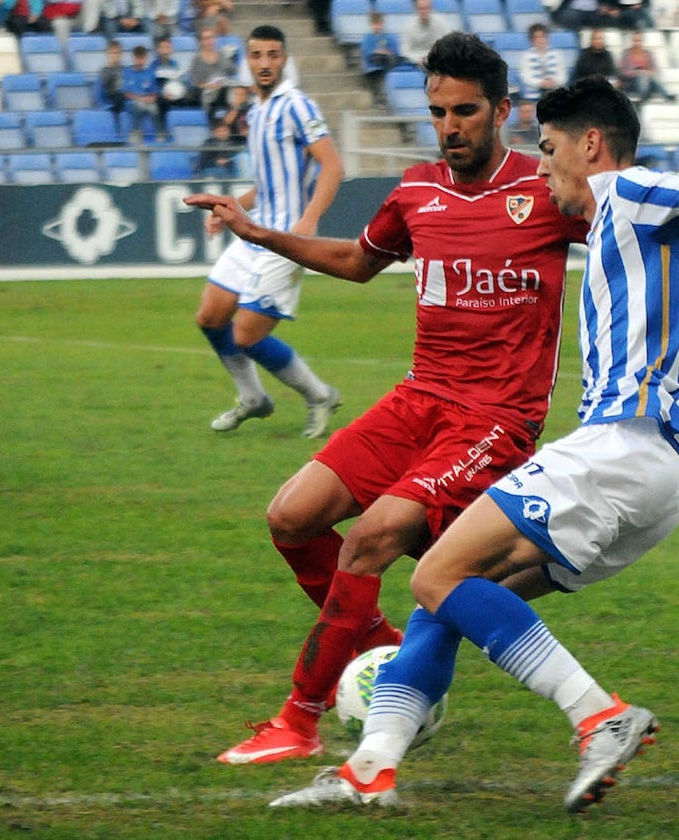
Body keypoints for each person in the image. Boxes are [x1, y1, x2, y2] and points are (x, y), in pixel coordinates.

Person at [262, 76, 679, 813]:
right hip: (665, 477)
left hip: (624, 446)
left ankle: (599, 716)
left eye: (547, 152)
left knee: (432, 576)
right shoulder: (627, 223)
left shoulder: (628, 191)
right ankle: (371, 767)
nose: (541, 170)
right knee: (448, 599)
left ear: (591, 146)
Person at [184, 30, 589, 767]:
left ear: (502, 110)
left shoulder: (547, 191)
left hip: (496, 418)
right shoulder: (416, 191)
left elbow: (648, 234)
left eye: (465, 111)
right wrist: (257, 233)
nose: (450, 127)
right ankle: (381, 647)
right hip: (419, 399)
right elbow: (357, 261)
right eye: (438, 112)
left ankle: (299, 716)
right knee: (291, 517)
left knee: (373, 536)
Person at [194, 24, 344, 437]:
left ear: (284, 59)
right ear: (247, 60)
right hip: (252, 235)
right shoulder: (257, 112)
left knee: (245, 333)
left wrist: (309, 221)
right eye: (257, 55)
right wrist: (229, 208)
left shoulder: (297, 105)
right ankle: (254, 399)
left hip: (285, 241)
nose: (264, 63)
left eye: (272, 55)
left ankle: (319, 395)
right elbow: (267, 186)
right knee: (210, 316)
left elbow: (332, 165)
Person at [189, 25, 238, 122]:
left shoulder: (222, 54)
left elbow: (233, 71)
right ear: (200, 41)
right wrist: (211, 86)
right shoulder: (196, 60)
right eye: (206, 38)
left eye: (212, 37)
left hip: (223, 89)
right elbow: (196, 84)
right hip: (206, 93)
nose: (210, 41)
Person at [617, 30, 676, 103]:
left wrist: (646, 73)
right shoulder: (626, 54)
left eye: (639, 41)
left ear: (642, 41)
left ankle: (664, 95)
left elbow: (655, 70)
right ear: (631, 41)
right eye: (635, 41)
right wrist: (638, 72)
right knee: (641, 76)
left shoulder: (648, 54)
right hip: (631, 84)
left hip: (648, 82)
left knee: (651, 80)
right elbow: (623, 72)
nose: (637, 43)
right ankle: (651, 95)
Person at [360, 11, 404, 108]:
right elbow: (367, 53)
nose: (377, 26)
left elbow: (395, 51)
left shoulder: (389, 36)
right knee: (379, 63)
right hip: (374, 61)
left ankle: (388, 95)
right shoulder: (368, 38)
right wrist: (380, 51)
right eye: (375, 24)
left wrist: (385, 52)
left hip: (388, 61)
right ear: (371, 24)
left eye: (379, 23)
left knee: (391, 60)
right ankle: (380, 98)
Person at [121, 43, 161, 141]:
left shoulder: (150, 73)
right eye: (138, 58)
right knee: (138, 106)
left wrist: (151, 98)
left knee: (155, 108)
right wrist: (140, 99)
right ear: (133, 58)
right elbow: (126, 93)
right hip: (132, 102)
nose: (140, 61)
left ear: (146, 58)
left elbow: (155, 93)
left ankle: (160, 135)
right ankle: (135, 134)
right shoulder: (126, 72)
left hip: (147, 102)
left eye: (142, 58)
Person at [519, 23, 566, 103]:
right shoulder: (526, 56)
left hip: (554, 92)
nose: (540, 40)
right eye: (536, 37)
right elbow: (525, 77)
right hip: (533, 95)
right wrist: (540, 83)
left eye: (543, 36)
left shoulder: (557, 54)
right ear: (531, 40)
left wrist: (554, 82)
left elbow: (563, 75)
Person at [400, 0, 450, 68]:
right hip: (416, 63)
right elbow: (404, 51)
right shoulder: (409, 27)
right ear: (416, 9)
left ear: (431, 8)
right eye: (421, 8)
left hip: (438, 62)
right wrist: (416, 60)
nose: (424, 11)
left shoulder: (441, 24)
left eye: (427, 8)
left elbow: (449, 46)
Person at [98, 39, 126, 120]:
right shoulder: (104, 71)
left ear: (121, 54)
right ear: (107, 54)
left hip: (124, 97)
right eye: (112, 53)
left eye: (117, 53)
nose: (114, 55)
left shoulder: (126, 70)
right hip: (112, 98)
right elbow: (101, 91)